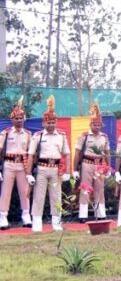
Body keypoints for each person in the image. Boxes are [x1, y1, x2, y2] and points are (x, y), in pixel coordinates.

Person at [28, 96, 71, 232]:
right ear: (43, 123)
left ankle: (56, 224)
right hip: (41, 168)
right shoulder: (38, 136)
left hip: (56, 170)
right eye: (49, 122)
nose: (51, 125)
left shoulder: (62, 136)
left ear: (56, 122)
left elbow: (67, 154)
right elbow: (30, 155)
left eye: (53, 122)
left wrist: (68, 172)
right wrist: (28, 174)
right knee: (38, 197)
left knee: (56, 197)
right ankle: (37, 224)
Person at [73, 102, 111, 222]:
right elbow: (77, 153)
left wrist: (108, 167)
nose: (97, 127)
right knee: (85, 189)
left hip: (99, 164)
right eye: (95, 125)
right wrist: (74, 170)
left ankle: (101, 213)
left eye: (99, 125)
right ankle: (83, 215)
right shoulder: (84, 136)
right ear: (90, 124)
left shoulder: (104, 137)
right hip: (87, 163)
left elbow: (107, 153)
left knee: (100, 189)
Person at [0, 97, 34, 230]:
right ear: (12, 120)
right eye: (16, 118)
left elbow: (32, 154)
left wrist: (30, 171)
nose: (19, 121)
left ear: (24, 119)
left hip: (23, 165)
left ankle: (26, 216)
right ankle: (3, 217)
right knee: (5, 192)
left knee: (25, 192)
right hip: (9, 164)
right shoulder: (6, 133)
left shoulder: (28, 134)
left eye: (21, 118)